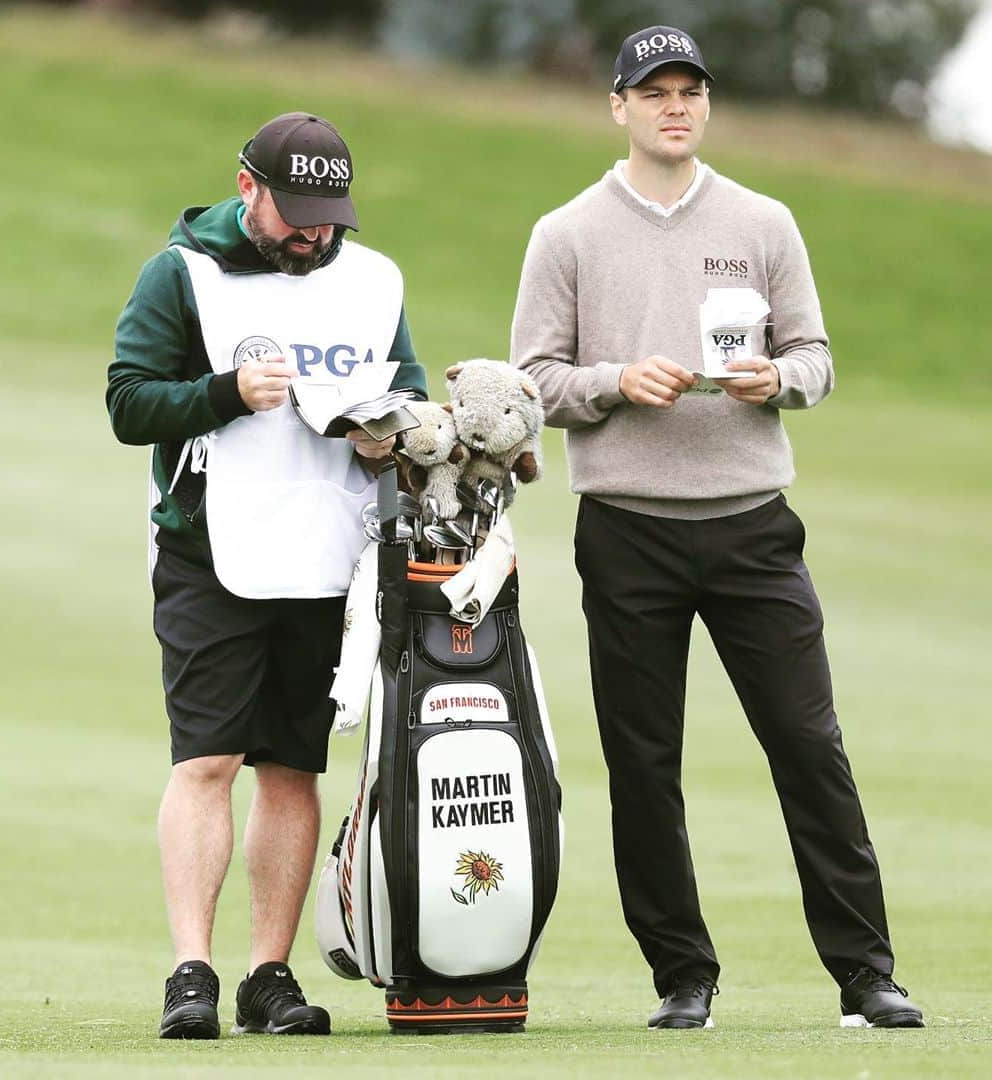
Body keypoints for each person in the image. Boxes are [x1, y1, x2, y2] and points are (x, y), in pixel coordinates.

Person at [511, 26, 922, 1031]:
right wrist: (614, 383)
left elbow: (816, 355)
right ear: (619, 108)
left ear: (705, 105)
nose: (674, 106)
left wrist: (778, 377)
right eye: (653, 92)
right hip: (627, 530)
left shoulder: (764, 221)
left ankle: (867, 975)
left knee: (807, 744)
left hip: (752, 526)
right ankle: (681, 975)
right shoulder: (565, 233)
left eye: (690, 90)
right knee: (645, 762)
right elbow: (529, 382)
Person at [107, 112, 427, 1040]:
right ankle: (192, 973)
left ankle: (267, 977)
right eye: (297, 214)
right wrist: (223, 395)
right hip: (211, 546)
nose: (314, 233)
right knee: (207, 759)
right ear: (247, 188)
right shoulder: (183, 274)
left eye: (330, 217)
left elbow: (401, 385)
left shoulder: (371, 281)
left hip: (330, 550)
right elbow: (129, 401)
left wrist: (386, 435)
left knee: (292, 766)